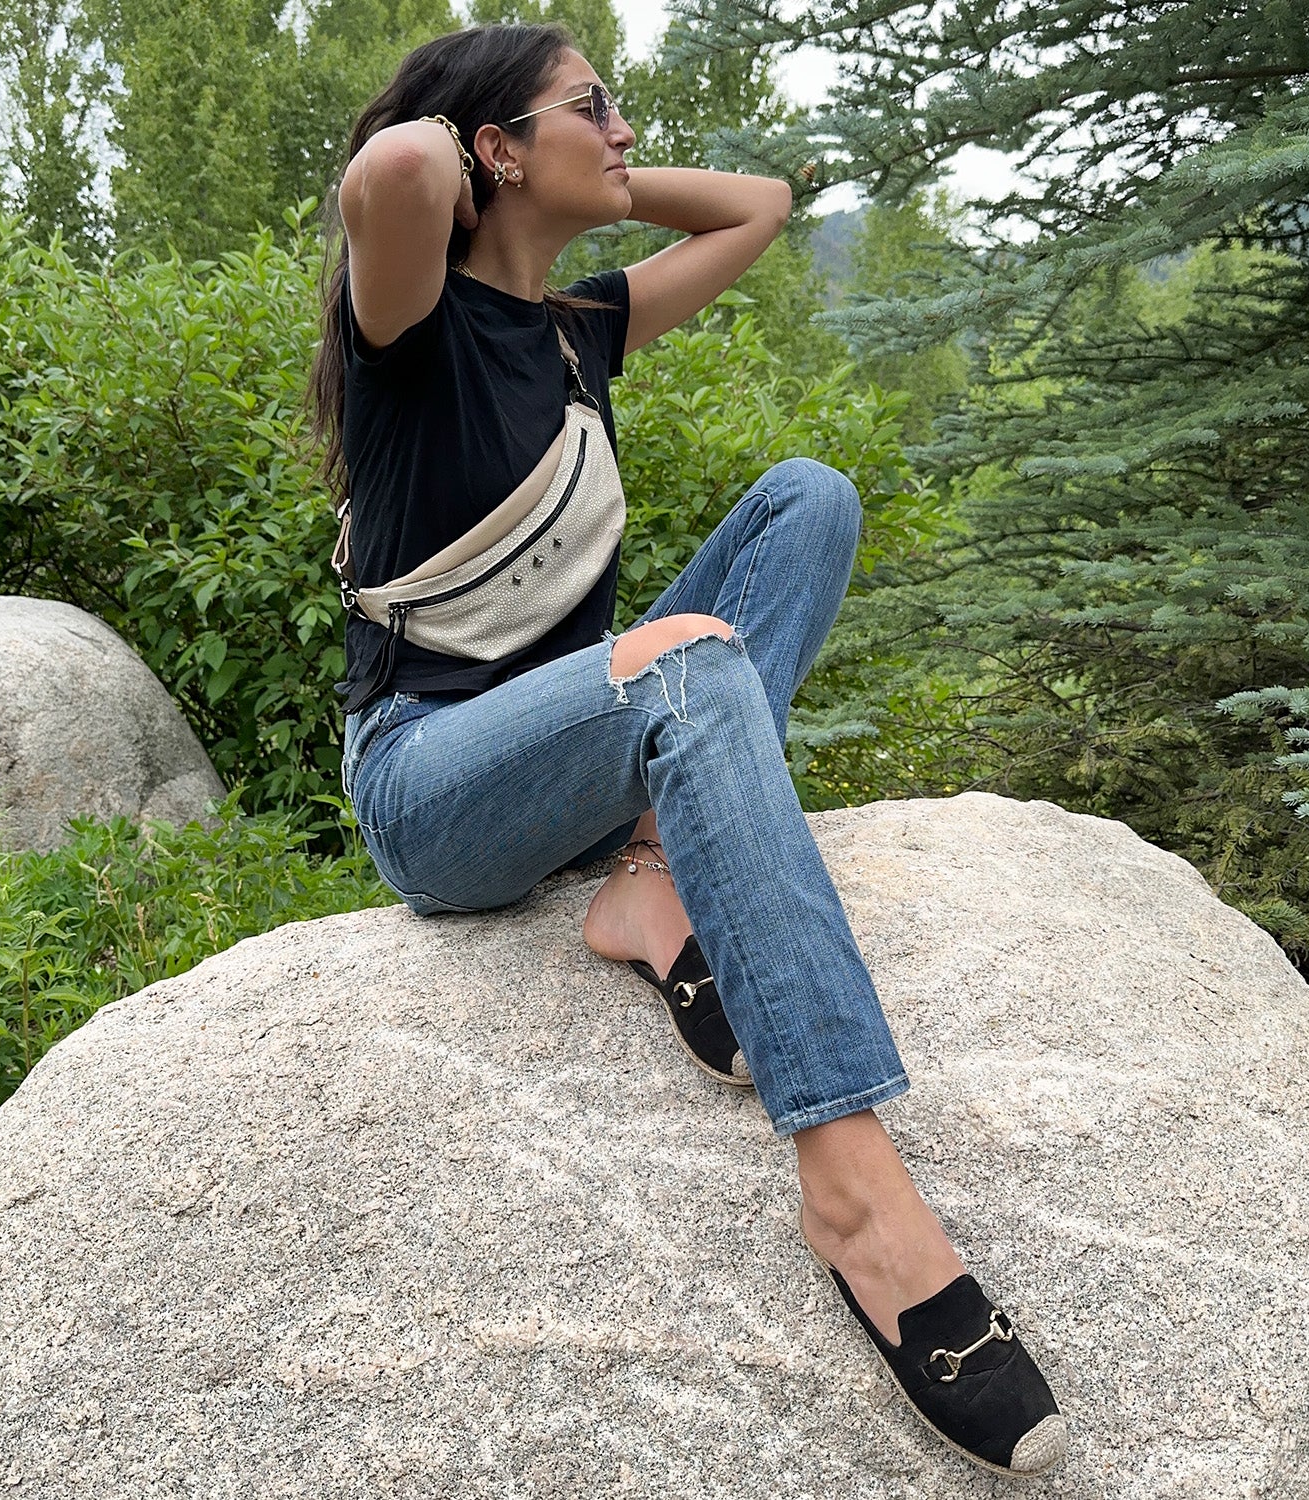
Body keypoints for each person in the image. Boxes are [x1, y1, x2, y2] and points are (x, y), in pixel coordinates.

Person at [308, 22, 1066, 1480]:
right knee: (690, 662)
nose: (625, 128)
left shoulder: (582, 329)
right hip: (433, 782)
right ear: (496, 151)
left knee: (810, 497)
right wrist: (495, 148)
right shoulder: (409, 329)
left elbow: (764, 205)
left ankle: (642, 879)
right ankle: (854, 1187)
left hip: (580, 741)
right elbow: (395, 166)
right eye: (593, 107)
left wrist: (597, 167)